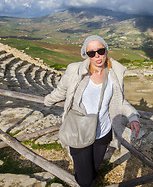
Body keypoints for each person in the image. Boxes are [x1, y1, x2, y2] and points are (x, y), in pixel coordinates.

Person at [44, 35, 140, 187]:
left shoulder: (114, 73)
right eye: (91, 53)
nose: (97, 56)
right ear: (86, 54)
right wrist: (47, 100)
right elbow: (61, 91)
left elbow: (119, 101)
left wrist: (133, 116)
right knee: (84, 179)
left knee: (94, 169)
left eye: (100, 51)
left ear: (106, 51)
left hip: (103, 131)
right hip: (79, 131)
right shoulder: (75, 70)